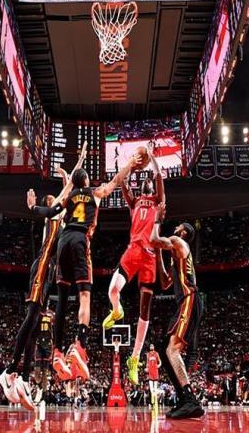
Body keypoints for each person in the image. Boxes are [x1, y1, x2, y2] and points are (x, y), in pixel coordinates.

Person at [40, 153, 142, 382]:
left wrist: (36, 206)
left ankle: (57, 352)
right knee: (85, 296)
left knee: (62, 300)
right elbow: (116, 181)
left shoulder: (69, 196)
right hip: (79, 240)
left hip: (63, 241)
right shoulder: (94, 193)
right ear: (86, 180)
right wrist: (130, 164)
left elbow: (54, 208)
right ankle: (80, 345)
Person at [0, 146, 87, 409]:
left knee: (36, 325)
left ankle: (25, 379)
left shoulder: (62, 213)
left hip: (50, 272)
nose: (56, 198)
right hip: (42, 266)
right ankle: (9, 371)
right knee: (31, 316)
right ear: (50, 203)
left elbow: (69, 189)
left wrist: (70, 174)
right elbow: (69, 188)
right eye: (53, 197)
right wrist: (79, 163)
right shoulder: (53, 214)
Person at [102, 148, 165, 385]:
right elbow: (122, 182)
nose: (147, 182)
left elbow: (158, 176)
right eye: (145, 181)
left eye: (149, 181)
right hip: (133, 250)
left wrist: (152, 156)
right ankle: (116, 310)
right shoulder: (134, 202)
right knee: (112, 290)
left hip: (149, 255)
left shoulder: (158, 201)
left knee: (144, 309)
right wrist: (128, 163)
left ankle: (135, 357)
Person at [150, 203, 204, 419]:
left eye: (178, 227)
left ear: (183, 233)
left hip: (189, 299)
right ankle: (184, 399)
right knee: (165, 349)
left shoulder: (179, 242)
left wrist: (156, 218)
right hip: (186, 302)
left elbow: (154, 239)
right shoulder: (177, 258)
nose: (174, 228)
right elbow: (164, 283)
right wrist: (157, 254)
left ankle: (190, 399)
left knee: (173, 350)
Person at [145, 344, 161, 408]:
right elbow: (147, 363)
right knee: (151, 389)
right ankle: (153, 402)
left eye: (152, 346)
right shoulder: (148, 354)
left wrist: (158, 366)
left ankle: (155, 402)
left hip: (155, 372)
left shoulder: (156, 353)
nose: (151, 347)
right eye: (150, 346)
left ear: (154, 347)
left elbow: (160, 362)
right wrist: (146, 368)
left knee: (155, 389)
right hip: (150, 373)